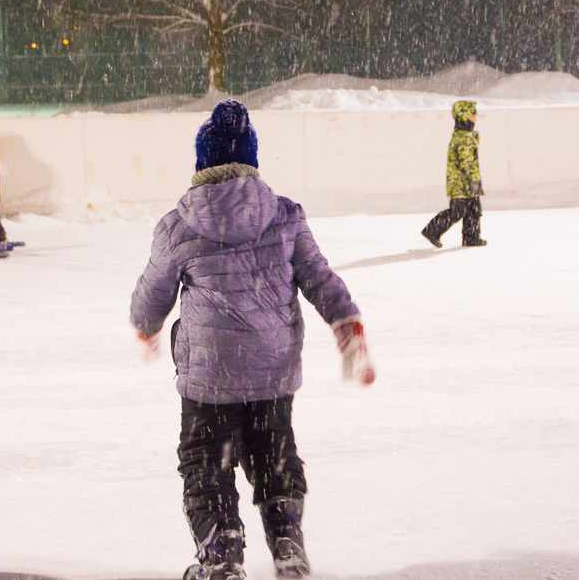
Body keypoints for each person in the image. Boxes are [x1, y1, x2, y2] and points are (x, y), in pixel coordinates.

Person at [130, 99, 375, 580]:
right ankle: (288, 545)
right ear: (252, 161)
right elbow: (319, 278)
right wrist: (347, 324)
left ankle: (221, 558)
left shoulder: (178, 226)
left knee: (206, 464)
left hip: (209, 377)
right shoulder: (284, 216)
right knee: (273, 452)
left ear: (202, 164)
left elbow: (152, 296)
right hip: (272, 369)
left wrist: (146, 325)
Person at [421, 99, 487, 248]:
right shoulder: (464, 137)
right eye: (474, 114)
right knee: (458, 211)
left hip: (464, 181)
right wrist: (474, 180)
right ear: (465, 116)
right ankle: (432, 230)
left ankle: (471, 237)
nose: (476, 117)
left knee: (473, 209)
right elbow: (466, 162)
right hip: (462, 183)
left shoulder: (463, 135)